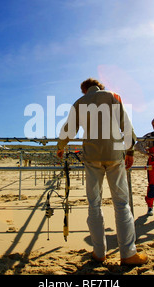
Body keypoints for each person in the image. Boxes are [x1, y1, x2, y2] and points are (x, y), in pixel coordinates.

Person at [57, 78, 148, 265]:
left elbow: (69, 129)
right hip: (114, 154)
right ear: (100, 86)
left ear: (85, 90)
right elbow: (126, 125)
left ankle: (99, 253)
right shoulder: (113, 96)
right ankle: (128, 253)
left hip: (91, 156)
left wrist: (60, 145)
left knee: (94, 204)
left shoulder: (79, 102)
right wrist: (129, 150)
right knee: (122, 204)